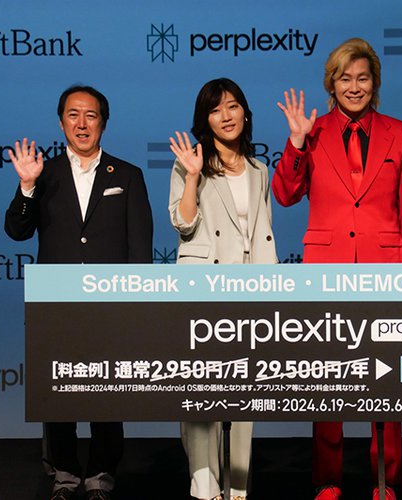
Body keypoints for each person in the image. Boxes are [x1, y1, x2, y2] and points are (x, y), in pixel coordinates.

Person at [273, 37, 402, 500]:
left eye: (362, 78)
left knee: (386, 380)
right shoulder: (311, 133)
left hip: (386, 270)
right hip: (326, 269)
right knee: (327, 380)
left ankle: (385, 480)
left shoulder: (400, 134)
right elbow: (285, 194)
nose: (354, 87)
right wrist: (297, 142)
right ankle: (328, 480)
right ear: (331, 85)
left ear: (375, 83)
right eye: (344, 79)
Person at [4, 85, 154, 500]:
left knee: (107, 393)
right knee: (58, 396)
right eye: (73, 115)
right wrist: (27, 186)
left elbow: (140, 247)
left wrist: (138, 303)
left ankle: (101, 474)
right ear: (61, 123)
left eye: (91, 115)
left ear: (103, 122)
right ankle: (65, 474)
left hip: (111, 304)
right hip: (56, 304)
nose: (82, 124)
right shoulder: (44, 173)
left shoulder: (127, 176)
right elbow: (16, 230)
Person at [169, 77, 277, 500]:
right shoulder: (190, 164)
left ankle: (238, 488)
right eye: (215, 110)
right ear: (205, 120)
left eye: (232, 106)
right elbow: (183, 224)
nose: (226, 116)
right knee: (202, 392)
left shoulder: (259, 170)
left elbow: (263, 234)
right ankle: (205, 485)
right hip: (206, 290)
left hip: (252, 293)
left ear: (245, 113)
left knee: (245, 392)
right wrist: (193, 177)